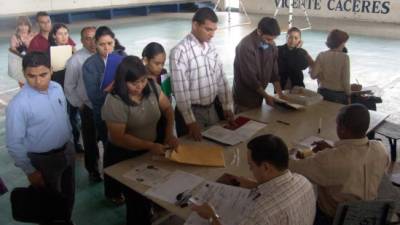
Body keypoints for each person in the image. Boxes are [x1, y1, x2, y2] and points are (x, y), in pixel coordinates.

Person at [101, 56, 178, 225]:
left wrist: (169, 133)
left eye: (143, 81)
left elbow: (167, 109)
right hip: (125, 155)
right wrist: (151, 146)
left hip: (150, 150)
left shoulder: (152, 87)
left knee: (155, 190)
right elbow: (118, 137)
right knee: (136, 202)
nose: (139, 87)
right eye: (134, 83)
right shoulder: (115, 100)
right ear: (123, 81)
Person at [289, 104, 390, 225]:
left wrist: (292, 152)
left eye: (336, 124)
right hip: (370, 215)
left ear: (342, 128)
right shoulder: (380, 148)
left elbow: (294, 167)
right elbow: (355, 160)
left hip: (334, 218)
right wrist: (332, 150)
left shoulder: (329, 160)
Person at [6, 52, 75, 224]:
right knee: (48, 206)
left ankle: (67, 220)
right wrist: (30, 171)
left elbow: (64, 117)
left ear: (51, 70)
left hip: (67, 151)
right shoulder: (19, 104)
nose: (38, 81)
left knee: (68, 194)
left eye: (43, 74)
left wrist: (70, 143)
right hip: (43, 161)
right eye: (31, 76)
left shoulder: (57, 88)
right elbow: (14, 143)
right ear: (24, 73)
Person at [191, 134, 316, 225]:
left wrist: (212, 217)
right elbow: (280, 190)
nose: (251, 171)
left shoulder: (261, 215)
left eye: (251, 166)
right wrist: (256, 185)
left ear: (266, 167)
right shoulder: (304, 182)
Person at [170, 7, 234, 140]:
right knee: (195, 150)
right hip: (192, 112)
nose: (212, 34)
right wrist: (190, 121)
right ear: (195, 25)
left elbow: (221, 78)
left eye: (214, 30)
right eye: (208, 29)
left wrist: (227, 105)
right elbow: (180, 91)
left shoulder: (211, 48)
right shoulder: (180, 52)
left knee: (216, 145)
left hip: (212, 110)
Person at [82, 26, 126, 200]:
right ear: (95, 44)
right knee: (111, 153)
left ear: (114, 42)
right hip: (104, 116)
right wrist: (113, 86)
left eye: (110, 43)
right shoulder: (90, 65)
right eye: (102, 44)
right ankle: (112, 192)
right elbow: (94, 97)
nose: (107, 48)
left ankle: (127, 187)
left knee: (126, 152)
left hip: (125, 112)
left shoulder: (122, 59)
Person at [64, 26, 101, 182]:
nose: (92, 42)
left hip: (106, 106)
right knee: (90, 141)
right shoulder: (75, 60)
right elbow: (69, 86)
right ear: (81, 41)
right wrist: (79, 104)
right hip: (88, 107)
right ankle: (92, 170)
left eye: (94, 37)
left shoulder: (106, 55)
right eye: (87, 38)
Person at [232, 17, 284, 113]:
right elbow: (250, 79)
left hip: (259, 94)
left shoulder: (272, 45)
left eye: (273, 39)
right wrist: (266, 96)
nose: (271, 42)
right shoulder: (245, 46)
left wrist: (281, 94)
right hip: (245, 98)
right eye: (268, 39)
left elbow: (274, 72)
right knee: (246, 124)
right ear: (259, 32)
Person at [309, 29, 351, 104]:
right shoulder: (345, 57)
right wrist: (349, 95)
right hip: (339, 95)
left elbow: (313, 75)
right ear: (341, 43)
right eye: (344, 43)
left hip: (322, 93)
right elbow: (345, 81)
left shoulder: (321, 55)